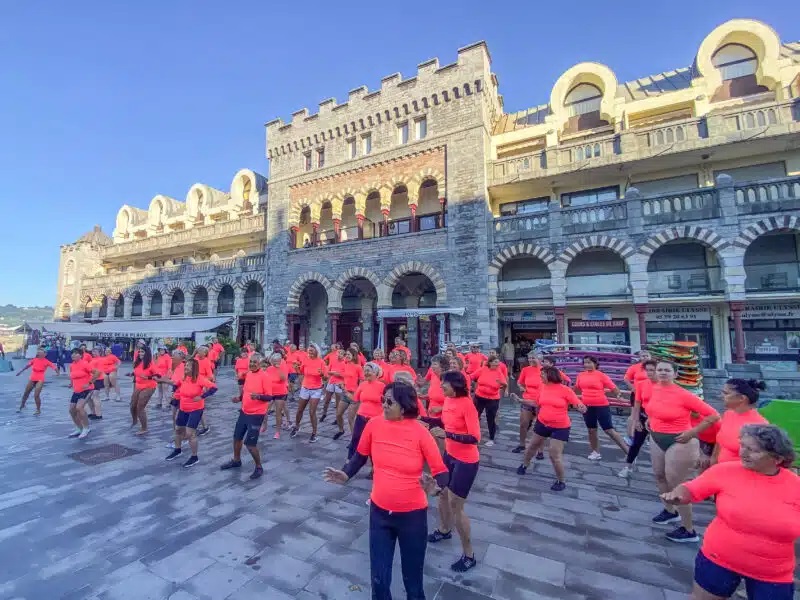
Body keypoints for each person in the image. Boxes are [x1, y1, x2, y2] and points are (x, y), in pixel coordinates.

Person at [323, 382, 449, 599]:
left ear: (404, 405)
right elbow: (360, 456)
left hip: (413, 518)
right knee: (379, 581)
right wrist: (346, 473)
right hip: (380, 514)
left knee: (413, 584)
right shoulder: (373, 424)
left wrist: (435, 488)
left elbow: (441, 471)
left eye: (389, 401)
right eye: (383, 399)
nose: (384, 404)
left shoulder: (420, 432)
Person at [661, 424, 799, 600]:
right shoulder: (725, 471)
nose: (743, 453)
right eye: (743, 445)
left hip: (773, 573)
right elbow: (691, 488)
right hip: (719, 558)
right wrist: (678, 495)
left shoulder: (795, 487)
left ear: (777, 459)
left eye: (753, 450)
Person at [646, 360, 719, 543]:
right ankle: (670, 511)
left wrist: (693, 432)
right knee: (659, 476)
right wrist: (651, 420)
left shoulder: (683, 394)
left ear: (675, 374)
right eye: (659, 370)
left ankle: (689, 529)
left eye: (667, 370)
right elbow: (655, 409)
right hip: (656, 437)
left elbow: (714, 415)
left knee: (677, 483)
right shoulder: (654, 389)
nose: (662, 373)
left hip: (680, 441)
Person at [423, 371, 481, 572]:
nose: (441, 388)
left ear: (456, 386)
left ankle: (469, 554)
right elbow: (444, 423)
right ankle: (444, 530)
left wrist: (447, 434)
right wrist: (425, 420)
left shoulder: (467, 404)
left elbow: (475, 437)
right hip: (449, 455)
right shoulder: (449, 400)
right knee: (442, 496)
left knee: (456, 506)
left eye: (444, 385)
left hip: (466, 461)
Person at [517, 366, 587, 490]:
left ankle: (561, 481)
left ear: (550, 375)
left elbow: (576, 402)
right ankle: (524, 464)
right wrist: (521, 400)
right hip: (542, 422)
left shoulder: (565, 390)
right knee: (531, 447)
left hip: (560, 426)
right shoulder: (542, 388)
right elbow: (536, 403)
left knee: (554, 454)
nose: (540, 376)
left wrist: (581, 407)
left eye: (542, 374)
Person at [221, 353, 271, 479]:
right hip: (244, 411)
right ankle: (236, 460)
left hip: (256, 414)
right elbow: (247, 392)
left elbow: (269, 397)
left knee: (250, 444)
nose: (253, 364)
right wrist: (239, 398)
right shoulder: (248, 374)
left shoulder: (264, 376)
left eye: (255, 362)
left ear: (260, 363)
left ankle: (259, 467)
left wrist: (259, 396)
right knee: (237, 437)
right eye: (251, 362)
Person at [573, 356, 629, 460]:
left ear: (595, 364)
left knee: (609, 430)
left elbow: (614, 388)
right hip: (587, 406)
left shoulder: (601, 375)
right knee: (591, 430)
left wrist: (619, 396)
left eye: (589, 363)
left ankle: (628, 452)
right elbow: (576, 389)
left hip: (601, 405)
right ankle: (595, 452)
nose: (587, 365)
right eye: (585, 363)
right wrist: (572, 399)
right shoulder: (580, 375)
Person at [164, 358, 216, 468]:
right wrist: (174, 393)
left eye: (188, 366)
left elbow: (214, 388)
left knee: (189, 433)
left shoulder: (200, 379)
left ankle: (194, 457)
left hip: (196, 409)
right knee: (178, 430)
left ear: (194, 369)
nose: (186, 367)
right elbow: (176, 384)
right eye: (186, 365)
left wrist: (202, 396)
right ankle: (177, 450)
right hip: (183, 408)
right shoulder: (184, 378)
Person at [713, 379, 768, 465]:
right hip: (720, 470)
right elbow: (720, 443)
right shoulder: (728, 414)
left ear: (742, 398)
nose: (721, 396)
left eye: (726, 393)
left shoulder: (759, 426)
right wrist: (713, 460)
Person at [619, 359, 657, 478]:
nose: (649, 372)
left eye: (652, 370)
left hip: (658, 419)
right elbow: (637, 404)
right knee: (636, 443)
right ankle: (628, 466)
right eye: (647, 370)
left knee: (658, 447)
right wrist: (636, 421)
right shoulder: (641, 384)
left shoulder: (663, 385)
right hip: (643, 416)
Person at [291, 343, 328, 442]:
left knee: (312, 412)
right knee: (299, 410)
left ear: (316, 351)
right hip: (305, 387)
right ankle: (296, 427)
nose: (309, 353)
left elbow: (325, 377)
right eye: (308, 351)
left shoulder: (321, 362)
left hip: (316, 389)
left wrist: (321, 374)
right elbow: (301, 372)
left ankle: (314, 433)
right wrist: (296, 368)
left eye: (311, 351)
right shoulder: (305, 360)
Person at [349, 362, 385, 460]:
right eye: (365, 371)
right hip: (361, 416)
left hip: (376, 418)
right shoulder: (362, 385)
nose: (366, 373)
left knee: (374, 442)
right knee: (356, 438)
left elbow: (387, 402)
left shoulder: (382, 386)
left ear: (376, 372)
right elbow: (355, 399)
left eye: (368, 371)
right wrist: (344, 390)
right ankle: (349, 460)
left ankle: (375, 466)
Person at [471, 356, 507, 447]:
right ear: (490, 362)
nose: (497, 364)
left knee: (490, 418)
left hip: (492, 399)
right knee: (474, 416)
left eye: (498, 362)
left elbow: (504, 384)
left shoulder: (499, 372)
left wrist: (503, 386)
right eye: (495, 362)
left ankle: (491, 438)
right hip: (479, 397)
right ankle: (473, 435)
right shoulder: (483, 369)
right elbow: (471, 376)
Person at [512, 352, 542, 454]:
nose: (530, 360)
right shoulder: (526, 370)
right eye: (529, 358)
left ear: (540, 359)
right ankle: (522, 444)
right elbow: (519, 382)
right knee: (523, 423)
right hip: (527, 399)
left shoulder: (545, 370)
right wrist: (521, 387)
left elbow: (560, 380)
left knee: (539, 426)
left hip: (541, 402)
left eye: (533, 358)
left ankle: (540, 450)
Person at [67, 349, 99, 439]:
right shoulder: (72, 365)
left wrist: (89, 383)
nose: (73, 355)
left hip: (87, 389)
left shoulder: (85, 364)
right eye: (72, 353)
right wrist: (71, 384)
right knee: (71, 410)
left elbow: (97, 372)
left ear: (80, 355)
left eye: (76, 354)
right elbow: (72, 376)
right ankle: (79, 428)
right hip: (76, 390)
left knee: (79, 407)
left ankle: (86, 428)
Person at [16, 347, 57, 414]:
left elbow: (54, 367)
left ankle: (38, 410)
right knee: (26, 393)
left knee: (36, 395)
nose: (39, 353)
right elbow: (27, 366)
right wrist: (20, 372)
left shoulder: (47, 361)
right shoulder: (34, 360)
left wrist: (57, 372)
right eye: (38, 352)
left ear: (44, 354)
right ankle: (22, 405)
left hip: (40, 378)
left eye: (41, 352)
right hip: (32, 378)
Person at [334, 348, 363, 440]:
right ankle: (341, 430)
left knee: (351, 419)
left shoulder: (358, 367)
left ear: (354, 356)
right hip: (345, 393)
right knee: (338, 414)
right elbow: (343, 378)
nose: (347, 356)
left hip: (354, 394)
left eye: (349, 354)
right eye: (346, 354)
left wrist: (358, 394)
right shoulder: (345, 365)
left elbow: (362, 381)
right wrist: (341, 384)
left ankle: (353, 440)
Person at [128, 346, 158, 435]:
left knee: (140, 407)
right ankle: (135, 421)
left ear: (147, 353)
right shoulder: (138, 362)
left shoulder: (150, 364)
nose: (140, 353)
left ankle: (144, 428)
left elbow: (158, 376)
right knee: (132, 405)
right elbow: (137, 371)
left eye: (143, 352)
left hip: (149, 386)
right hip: (138, 385)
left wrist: (148, 377)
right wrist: (131, 374)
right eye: (140, 352)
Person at [263, 352, 289, 439]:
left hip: (280, 392)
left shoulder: (283, 367)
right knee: (264, 411)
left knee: (278, 412)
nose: (276, 363)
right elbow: (265, 379)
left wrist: (278, 369)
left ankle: (277, 431)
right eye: (274, 361)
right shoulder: (269, 369)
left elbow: (283, 378)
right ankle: (264, 425)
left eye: (277, 361)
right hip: (270, 392)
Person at [322, 346, 346, 423]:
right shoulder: (333, 361)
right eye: (338, 353)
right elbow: (328, 371)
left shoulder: (345, 363)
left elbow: (346, 375)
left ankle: (337, 418)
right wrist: (333, 373)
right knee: (327, 400)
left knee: (338, 402)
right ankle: (324, 413)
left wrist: (338, 374)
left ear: (344, 355)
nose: (339, 355)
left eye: (341, 354)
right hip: (331, 381)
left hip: (339, 383)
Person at [86, 348, 106, 421]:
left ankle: (99, 414)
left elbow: (99, 372)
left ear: (100, 352)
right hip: (92, 379)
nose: (94, 353)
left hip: (97, 380)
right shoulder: (92, 360)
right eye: (93, 352)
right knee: (89, 398)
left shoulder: (100, 360)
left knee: (95, 397)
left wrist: (92, 381)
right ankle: (93, 412)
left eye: (96, 351)